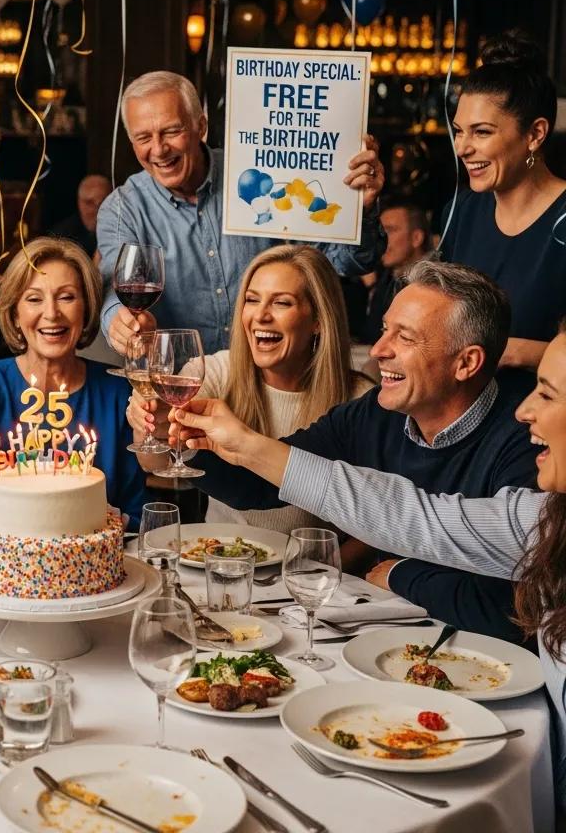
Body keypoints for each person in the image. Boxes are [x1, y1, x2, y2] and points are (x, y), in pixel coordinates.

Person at [167, 326, 566, 805]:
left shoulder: (519, 463)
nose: (527, 409)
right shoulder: (543, 516)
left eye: (547, 394)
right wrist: (232, 444)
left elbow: (419, 526)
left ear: (467, 363)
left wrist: (398, 570)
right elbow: (411, 516)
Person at [165, 260, 539, 644]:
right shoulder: (375, 412)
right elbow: (260, 485)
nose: (378, 351)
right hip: (387, 642)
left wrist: (398, 573)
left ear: (466, 363)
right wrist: (190, 440)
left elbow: (515, 612)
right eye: (384, 330)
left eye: (405, 338)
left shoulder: (530, 438)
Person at [96, 71, 387, 356]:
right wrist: (118, 320)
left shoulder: (264, 174)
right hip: (180, 383)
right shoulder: (123, 208)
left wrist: (359, 210)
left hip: (275, 378)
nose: (158, 149)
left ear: (201, 126)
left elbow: (349, 263)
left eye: (172, 131)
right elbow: (114, 286)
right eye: (143, 137)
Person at [128, 245, 374, 537]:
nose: (261, 316)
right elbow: (151, 462)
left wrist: (331, 564)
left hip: (311, 574)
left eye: (281, 303)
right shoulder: (219, 370)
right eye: (252, 300)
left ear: (318, 319)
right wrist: (150, 421)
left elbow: (377, 518)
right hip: (216, 557)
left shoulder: (359, 399)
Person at [0, 237, 148, 528]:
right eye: (34, 299)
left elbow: (136, 512)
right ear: (14, 314)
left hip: (92, 563)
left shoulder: (117, 390)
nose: (51, 313)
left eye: (67, 297)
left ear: (87, 308)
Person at [442, 30, 566, 370]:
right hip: (462, 413)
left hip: (542, 417)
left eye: (481, 132)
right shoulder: (461, 211)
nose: (462, 148)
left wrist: (514, 353)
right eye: (458, 130)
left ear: (535, 134)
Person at [357, 199, 429, 342]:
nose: (381, 239)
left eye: (390, 230)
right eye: (380, 232)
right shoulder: (387, 278)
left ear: (416, 238)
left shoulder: (435, 285)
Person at [50, 174, 112, 259]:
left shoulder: (120, 231)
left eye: (104, 202)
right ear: (79, 202)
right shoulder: (60, 236)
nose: (97, 209)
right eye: (89, 203)